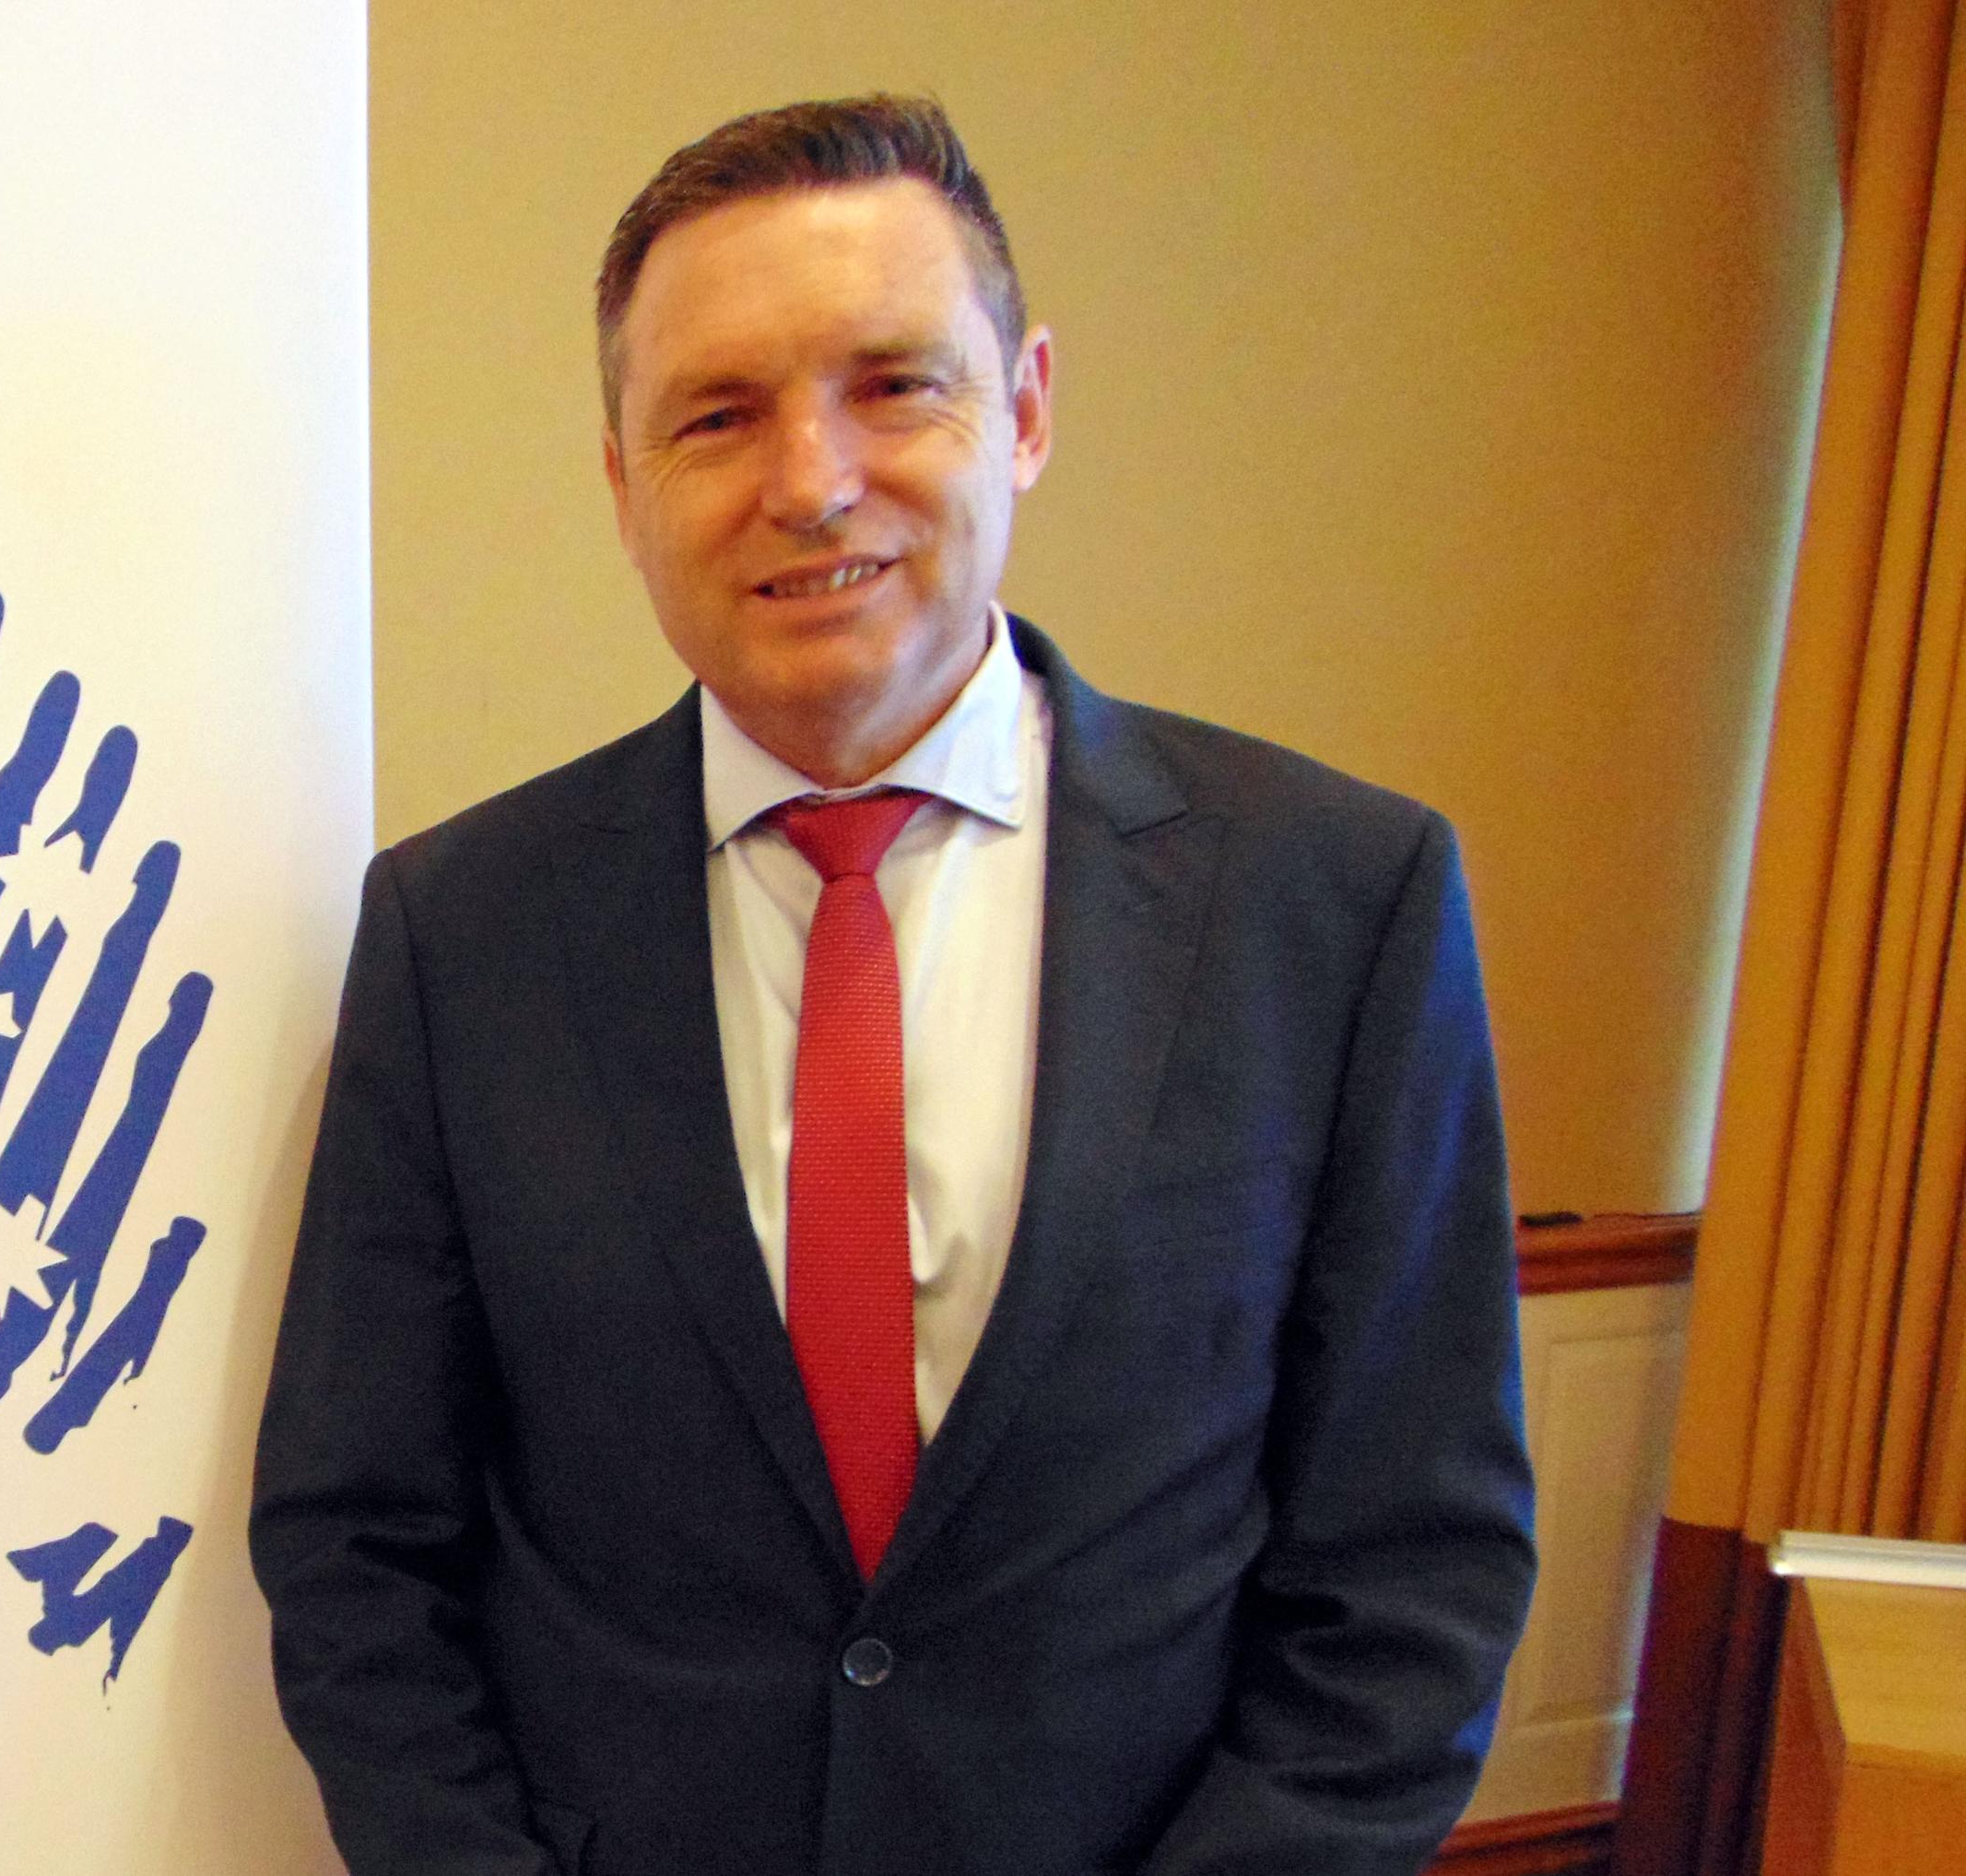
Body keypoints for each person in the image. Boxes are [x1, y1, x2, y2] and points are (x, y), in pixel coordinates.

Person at [248, 96, 1534, 1876]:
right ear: (625, 492)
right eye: (716, 415)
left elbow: (1414, 1565)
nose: (810, 479)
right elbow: (355, 1542)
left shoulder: (1335, 900)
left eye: (892, 384)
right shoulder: (461, 935)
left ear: (1025, 410)